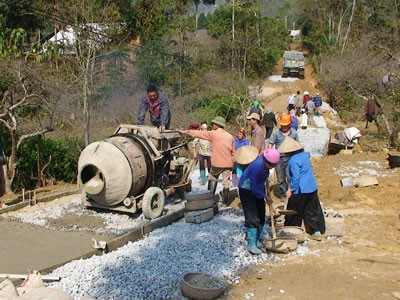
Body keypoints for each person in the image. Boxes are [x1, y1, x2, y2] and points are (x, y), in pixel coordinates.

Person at [277, 136, 326, 241]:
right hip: (311, 186)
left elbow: (296, 177)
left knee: (294, 211)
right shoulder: (304, 155)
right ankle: (316, 230)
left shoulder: (293, 161)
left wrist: (291, 190)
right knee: (312, 209)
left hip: (301, 189)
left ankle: (291, 231)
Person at [179, 116, 235, 206]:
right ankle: (225, 203)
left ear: (217, 125)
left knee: (212, 177)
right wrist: (233, 162)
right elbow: (233, 152)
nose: (212, 125)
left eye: (213, 123)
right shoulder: (230, 136)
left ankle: (210, 199)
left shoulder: (214, 134)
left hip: (217, 163)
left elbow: (199, 134)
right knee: (226, 182)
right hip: (228, 163)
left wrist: (186, 132)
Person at [238, 148, 280, 254]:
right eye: (272, 166)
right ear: (268, 162)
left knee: (261, 214)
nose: (273, 167)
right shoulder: (258, 166)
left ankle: (257, 240)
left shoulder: (265, 163)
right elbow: (254, 186)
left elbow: (259, 184)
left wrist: (263, 195)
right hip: (247, 189)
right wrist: (265, 196)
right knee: (252, 216)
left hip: (257, 188)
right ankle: (251, 244)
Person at [268, 113, 299, 200]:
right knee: (280, 178)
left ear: (289, 124)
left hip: (291, 158)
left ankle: (291, 194)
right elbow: (270, 144)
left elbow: (298, 145)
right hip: (279, 159)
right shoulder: (276, 133)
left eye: (285, 126)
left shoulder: (294, 133)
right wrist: (270, 156)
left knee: (290, 177)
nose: (283, 127)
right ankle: (283, 194)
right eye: (282, 125)